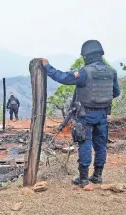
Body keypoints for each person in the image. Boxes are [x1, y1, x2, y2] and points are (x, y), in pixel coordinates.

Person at [41, 40, 120, 187]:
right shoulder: (112, 72)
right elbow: (116, 92)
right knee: (101, 146)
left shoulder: (84, 72)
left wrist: (47, 66)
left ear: (87, 56)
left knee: (85, 143)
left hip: (86, 115)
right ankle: (97, 176)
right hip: (103, 115)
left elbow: (63, 77)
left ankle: (83, 179)